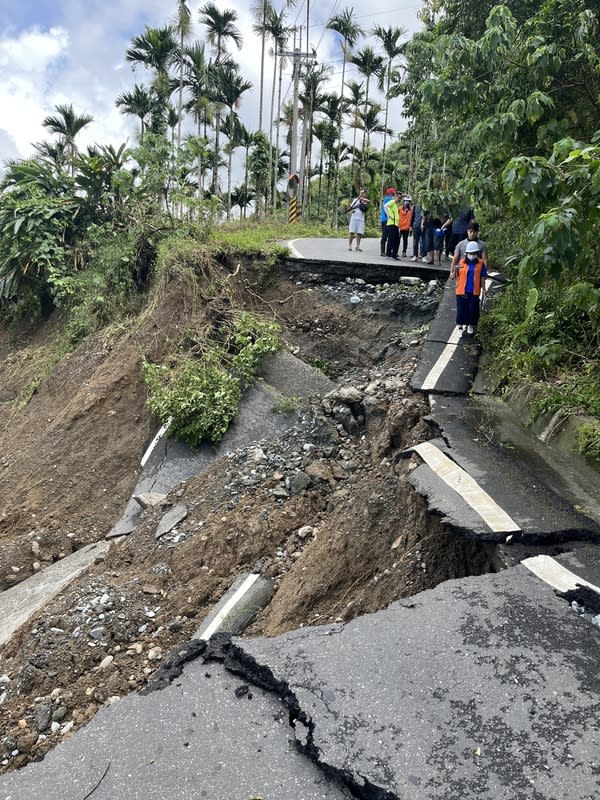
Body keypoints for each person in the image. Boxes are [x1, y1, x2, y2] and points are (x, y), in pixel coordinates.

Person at [454, 240, 487, 335]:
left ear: (477, 253)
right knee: (461, 309)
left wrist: (484, 289)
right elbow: (457, 275)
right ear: (466, 253)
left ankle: (470, 325)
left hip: (474, 291)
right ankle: (460, 327)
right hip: (461, 290)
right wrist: (455, 272)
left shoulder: (481, 264)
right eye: (470, 253)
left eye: (473, 253)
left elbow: (482, 277)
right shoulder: (461, 262)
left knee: (473, 309)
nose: (471, 255)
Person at [380, 187, 396, 257]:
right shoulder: (389, 198)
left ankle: (386, 251)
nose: (394, 194)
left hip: (386, 219)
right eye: (393, 193)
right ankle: (383, 251)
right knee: (386, 236)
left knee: (388, 236)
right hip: (386, 219)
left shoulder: (386, 199)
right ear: (391, 193)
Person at [384, 191, 400, 259]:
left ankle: (394, 255)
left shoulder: (395, 204)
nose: (399, 199)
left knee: (397, 240)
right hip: (391, 224)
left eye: (400, 198)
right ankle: (388, 254)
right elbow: (385, 206)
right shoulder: (392, 201)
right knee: (391, 239)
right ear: (395, 196)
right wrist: (389, 215)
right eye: (398, 197)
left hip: (395, 224)